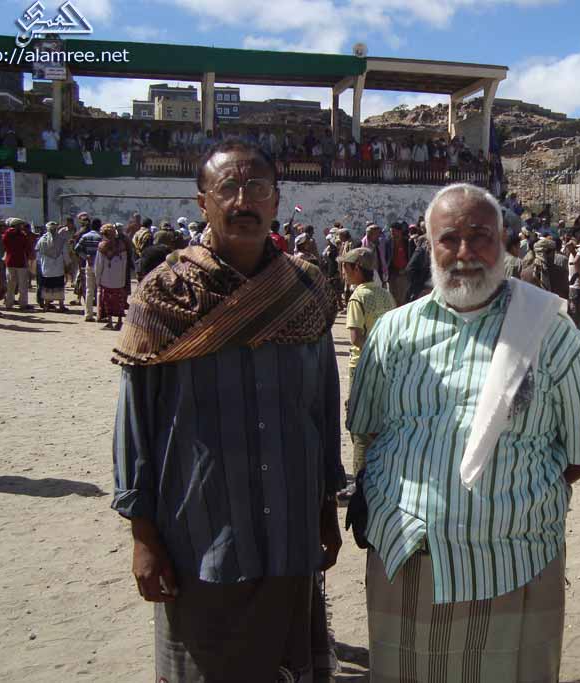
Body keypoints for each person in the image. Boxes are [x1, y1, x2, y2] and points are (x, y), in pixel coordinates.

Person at [347, 183, 580, 683]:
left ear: (504, 242)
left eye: (480, 236)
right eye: (449, 239)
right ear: (430, 246)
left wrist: (513, 493)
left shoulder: (554, 335)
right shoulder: (392, 332)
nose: (465, 252)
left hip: (511, 563)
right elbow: (368, 427)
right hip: (404, 559)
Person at [111, 138, 343, 683]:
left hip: (289, 534)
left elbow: (321, 408)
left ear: (276, 200)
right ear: (202, 202)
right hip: (200, 537)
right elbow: (136, 423)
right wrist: (143, 536)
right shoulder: (164, 294)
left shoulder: (305, 290)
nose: (244, 201)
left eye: (257, 188)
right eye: (228, 188)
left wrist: (326, 510)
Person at [337, 246, 395, 497]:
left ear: (357, 269)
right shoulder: (385, 295)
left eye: (346, 267)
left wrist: (371, 353)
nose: (343, 272)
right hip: (386, 366)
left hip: (362, 366)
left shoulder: (357, 297)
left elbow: (355, 337)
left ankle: (360, 484)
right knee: (380, 422)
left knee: (360, 425)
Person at [94, 225, 131, 330]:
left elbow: (99, 265)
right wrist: (123, 278)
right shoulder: (121, 246)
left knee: (107, 301)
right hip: (119, 279)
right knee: (119, 301)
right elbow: (124, 263)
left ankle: (110, 322)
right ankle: (119, 321)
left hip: (106, 279)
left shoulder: (102, 246)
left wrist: (97, 279)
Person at [35, 222, 69, 312]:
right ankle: (61, 305)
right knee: (59, 286)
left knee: (47, 287)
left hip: (46, 268)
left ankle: (46, 305)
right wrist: (68, 264)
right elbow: (65, 254)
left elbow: (37, 254)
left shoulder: (42, 240)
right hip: (58, 268)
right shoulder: (61, 240)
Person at [74, 217, 103, 322]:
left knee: (89, 290)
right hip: (99, 265)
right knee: (99, 290)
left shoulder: (85, 236)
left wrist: (85, 257)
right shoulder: (101, 238)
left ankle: (88, 314)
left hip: (89, 264)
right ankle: (100, 314)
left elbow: (77, 249)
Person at [2, 218, 32, 310]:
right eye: (20, 225)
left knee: (10, 284)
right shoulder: (21, 235)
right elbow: (26, 247)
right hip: (20, 262)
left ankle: (9, 303)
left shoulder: (6, 234)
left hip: (10, 261)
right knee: (22, 285)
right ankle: (23, 304)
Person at [386, 222, 414, 305]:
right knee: (393, 297)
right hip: (393, 273)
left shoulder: (407, 242)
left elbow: (411, 257)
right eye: (391, 232)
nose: (392, 234)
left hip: (404, 274)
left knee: (404, 296)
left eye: (394, 232)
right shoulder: (389, 243)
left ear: (400, 231)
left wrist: (407, 269)